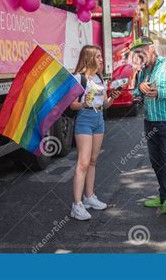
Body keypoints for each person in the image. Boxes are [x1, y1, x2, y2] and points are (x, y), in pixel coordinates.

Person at [132, 37, 166, 214]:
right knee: (156, 162)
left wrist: (159, 92)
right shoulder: (143, 72)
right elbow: (135, 96)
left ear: (152, 49)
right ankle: (163, 195)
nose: (139, 55)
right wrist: (139, 88)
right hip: (149, 122)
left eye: (142, 51)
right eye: (137, 52)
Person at [69, 45, 121, 221]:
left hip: (99, 119)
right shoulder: (79, 78)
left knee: (93, 161)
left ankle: (89, 197)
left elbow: (105, 104)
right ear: (89, 58)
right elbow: (72, 105)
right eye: (98, 56)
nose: (101, 59)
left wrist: (113, 96)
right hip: (84, 119)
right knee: (82, 163)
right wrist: (84, 103)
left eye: (101, 56)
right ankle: (76, 205)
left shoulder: (99, 78)